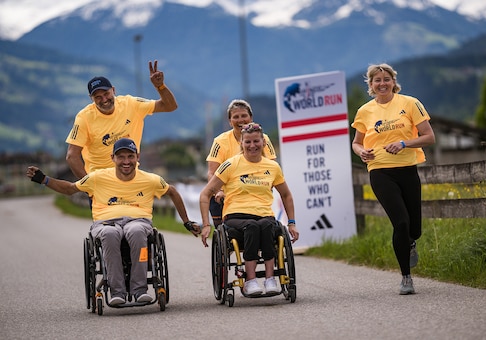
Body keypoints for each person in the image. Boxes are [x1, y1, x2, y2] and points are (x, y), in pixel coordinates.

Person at [26, 138, 200, 306]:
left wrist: (186, 222)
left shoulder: (150, 179)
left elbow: (173, 192)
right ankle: (118, 292)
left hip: (138, 221)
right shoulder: (97, 177)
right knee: (110, 233)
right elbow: (70, 189)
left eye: (130, 156)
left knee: (137, 231)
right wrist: (44, 179)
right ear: (113, 158)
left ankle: (140, 290)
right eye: (121, 157)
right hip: (106, 223)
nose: (126, 161)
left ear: (137, 157)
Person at [351, 63, 435, 295]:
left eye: (386, 79)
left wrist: (404, 143)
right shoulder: (364, 111)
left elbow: (429, 137)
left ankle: (410, 242)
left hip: (407, 169)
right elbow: (357, 142)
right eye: (377, 80)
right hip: (380, 171)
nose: (382, 83)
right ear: (370, 85)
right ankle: (406, 277)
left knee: (414, 228)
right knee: (400, 222)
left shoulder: (410, 103)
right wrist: (361, 152)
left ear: (393, 81)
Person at [199, 122, 299, 296]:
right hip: (236, 216)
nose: (252, 146)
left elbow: (286, 195)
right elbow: (206, 194)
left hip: (264, 214)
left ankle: (270, 279)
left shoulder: (272, 167)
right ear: (242, 144)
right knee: (252, 226)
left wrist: (291, 223)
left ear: (263, 143)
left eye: (256, 141)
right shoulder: (230, 164)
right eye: (248, 142)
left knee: (268, 226)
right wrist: (206, 225)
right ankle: (250, 281)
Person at [66, 60, 178, 179]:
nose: (104, 99)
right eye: (97, 97)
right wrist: (88, 186)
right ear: (91, 99)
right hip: (102, 183)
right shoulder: (84, 117)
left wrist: (160, 86)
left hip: (131, 178)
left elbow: (170, 106)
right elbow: (71, 156)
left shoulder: (131, 104)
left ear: (113, 90)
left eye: (106, 93)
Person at [206, 99, 277, 227]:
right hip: (228, 195)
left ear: (251, 118)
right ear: (230, 121)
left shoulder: (263, 139)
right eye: (236, 117)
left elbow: (272, 167)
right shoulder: (220, 141)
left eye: (244, 116)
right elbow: (212, 172)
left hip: (257, 189)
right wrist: (219, 191)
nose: (240, 120)